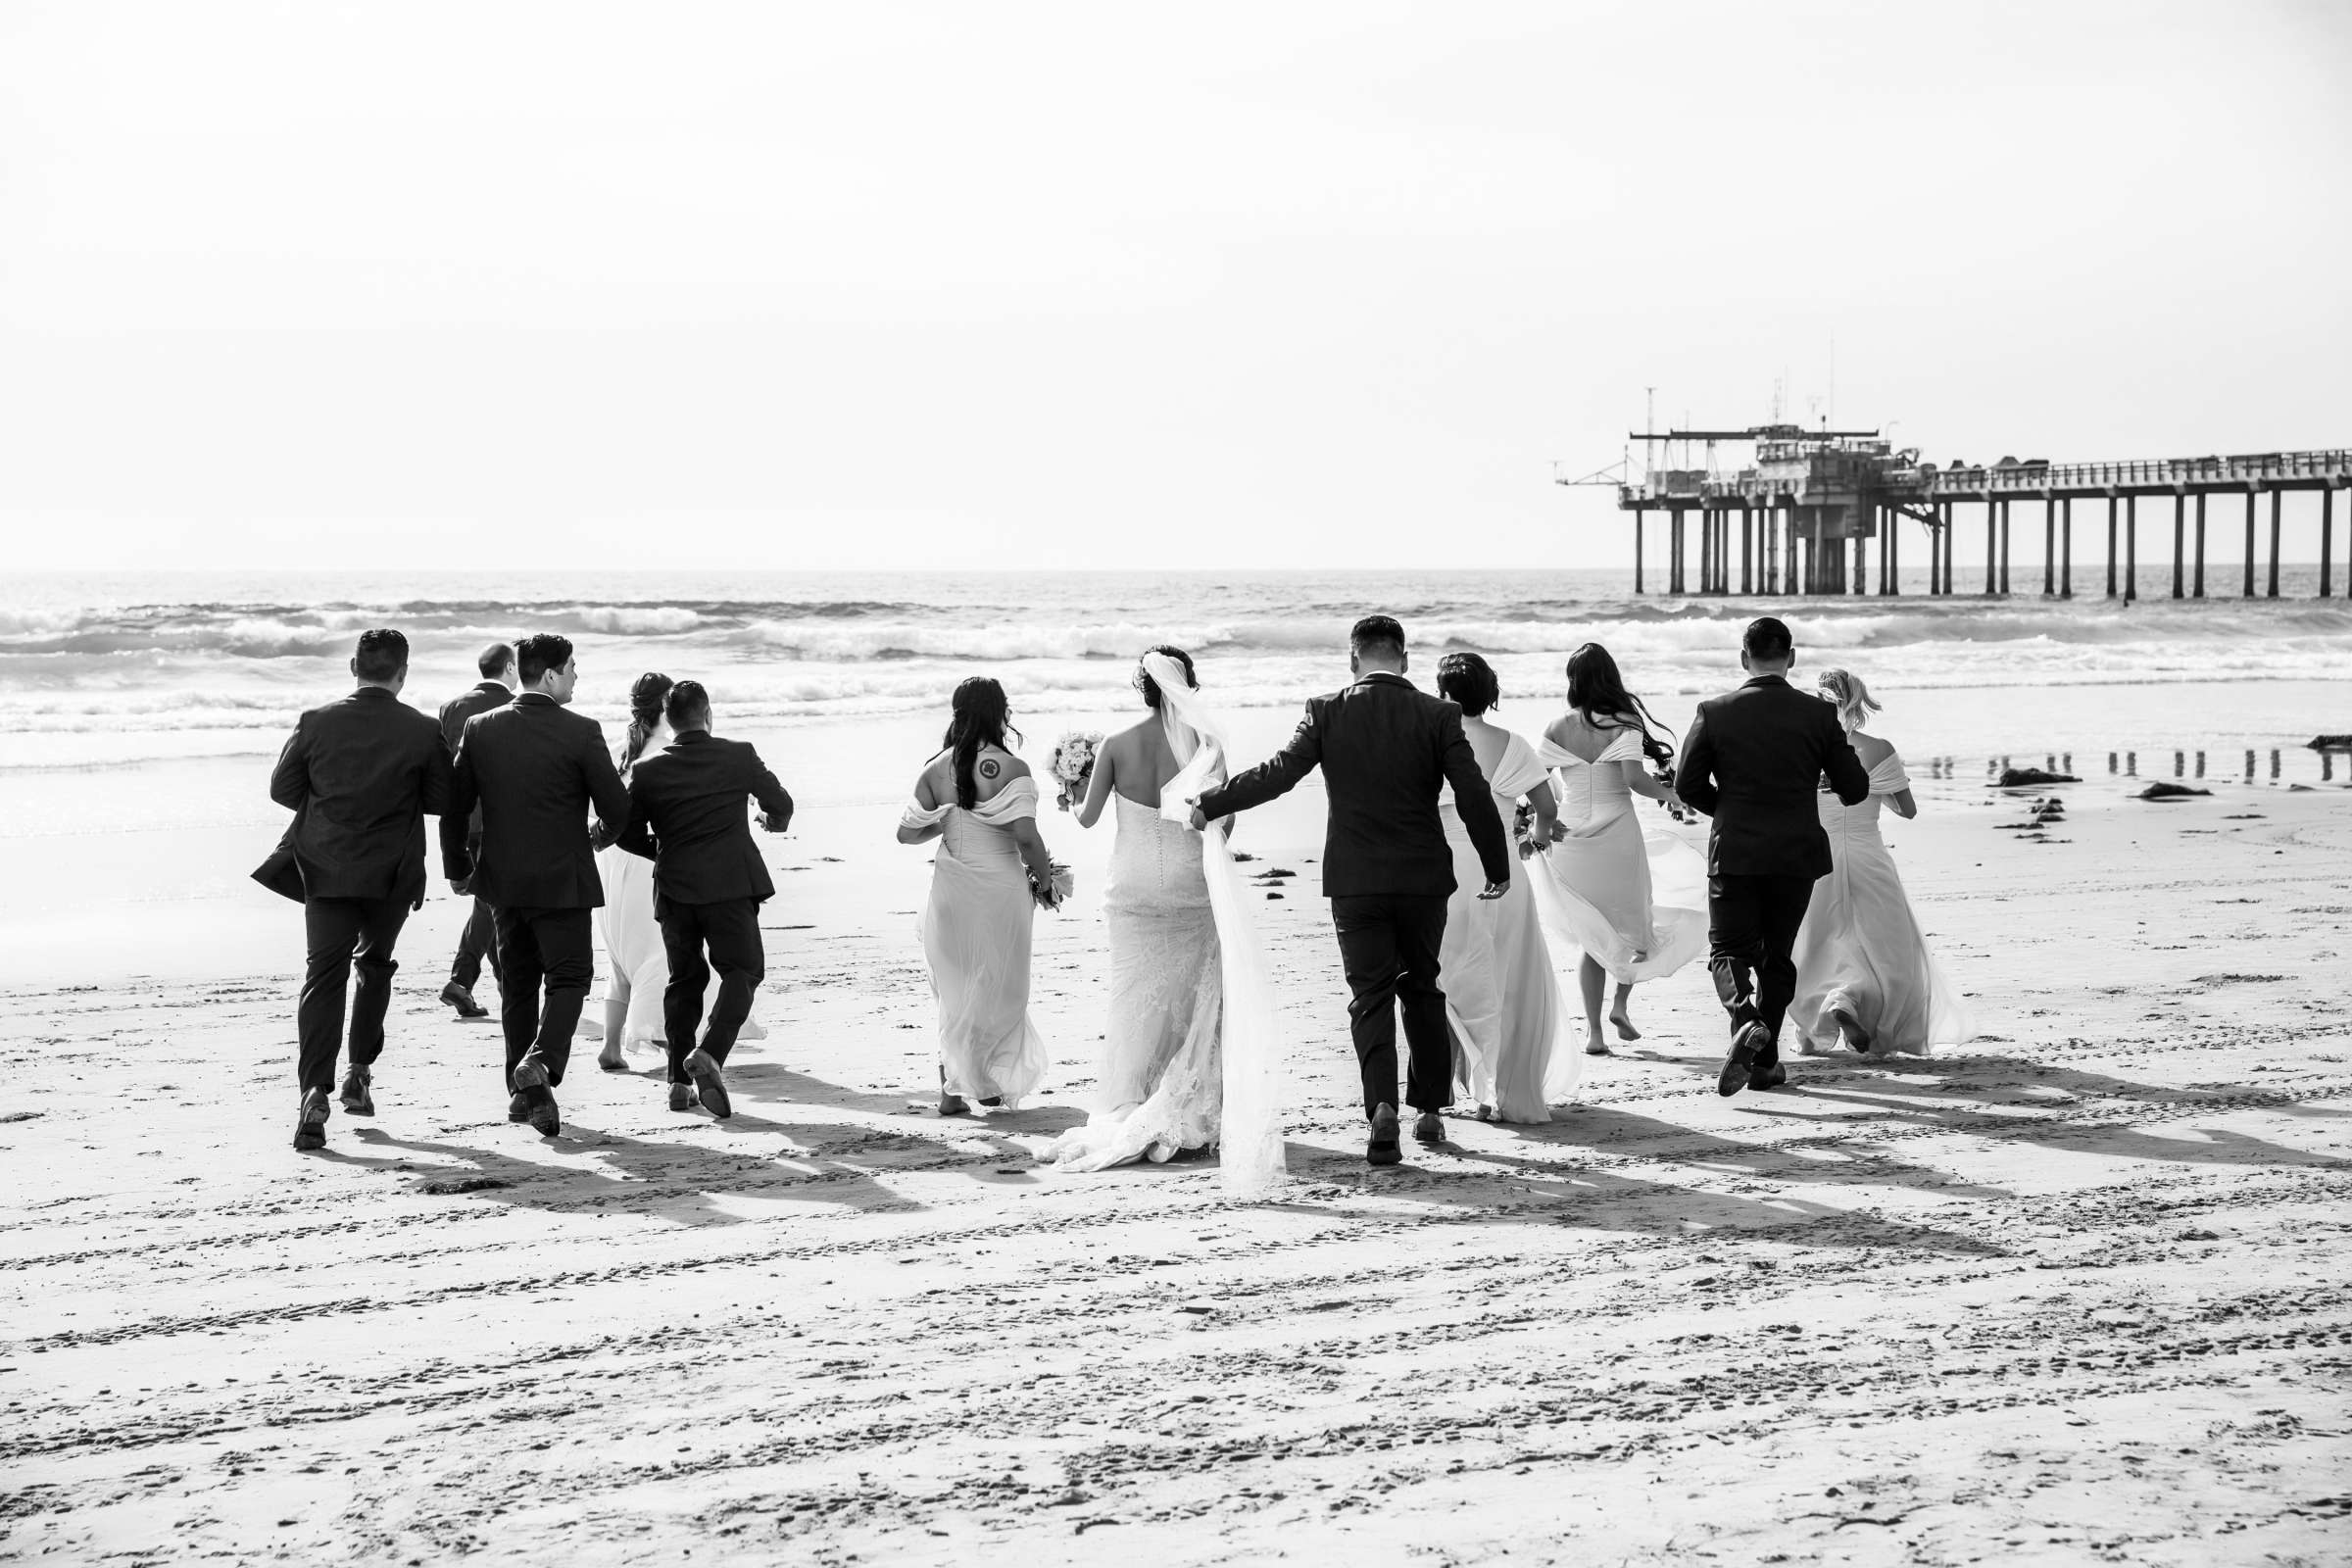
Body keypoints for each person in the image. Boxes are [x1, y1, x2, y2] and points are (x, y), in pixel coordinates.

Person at [1190, 615, 1509, 1166]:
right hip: (1423, 878)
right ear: (1404, 661)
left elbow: (1279, 773)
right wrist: (1496, 865)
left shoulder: (1325, 710)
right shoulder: (1439, 714)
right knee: (1424, 987)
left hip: (1356, 882)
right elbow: (1474, 792)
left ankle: (1382, 1107)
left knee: (1370, 995)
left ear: (1353, 659)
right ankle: (1430, 1110)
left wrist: (1212, 803)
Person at [264, 629, 453, 1150]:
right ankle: (359, 1071)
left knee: (322, 976)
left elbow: (282, 788)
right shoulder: (420, 728)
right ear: (403, 673)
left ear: (353, 666)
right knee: (374, 967)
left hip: (326, 867)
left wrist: (328, 805)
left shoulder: (317, 722)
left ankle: (312, 1092)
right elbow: (441, 799)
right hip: (391, 873)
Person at [440, 633, 628, 1137]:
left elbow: (454, 808)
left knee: (518, 986)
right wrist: (599, 837)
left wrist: (458, 868)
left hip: (503, 881)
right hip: (562, 879)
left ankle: (522, 1095)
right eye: (571, 669)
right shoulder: (581, 731)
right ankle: (540, 1063)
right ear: (549, 674)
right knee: (568, 978)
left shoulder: (480, 728)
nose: (575, 677)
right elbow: (617, 809)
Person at [1674, 617, 1870, 1097]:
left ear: (1744, 658)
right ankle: (1764, 1064)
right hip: (1794, 851)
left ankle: (1745, 1019)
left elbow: (1685, 786)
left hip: (1735, 849)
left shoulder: (1714, 711)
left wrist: (1729, 811)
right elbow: (1855, 788)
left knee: (1727, 950)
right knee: (1776, 956)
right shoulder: (1818, 716)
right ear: (1792, 658)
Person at [613, 680, 794, 1118]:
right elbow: (782, 804)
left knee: (684, 980)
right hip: (730, 884)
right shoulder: (738, 754)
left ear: (670, 721)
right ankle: (710, 1053)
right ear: (708, 714)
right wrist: (769, 820)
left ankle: (677, 1081)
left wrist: (665, 850)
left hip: (675, 887)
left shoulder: (649, 770)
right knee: (744, 969)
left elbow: (628, 833)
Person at [1531, 643, 1708, 1057]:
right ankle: (1620, 1006)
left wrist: (1541, 821)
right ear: (1609, 677)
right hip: (1616, 835)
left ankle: (1594, 1033)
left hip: (1571, 839)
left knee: (1593, 937)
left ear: (1573, 681)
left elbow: (1535, 780)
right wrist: (1675, 796)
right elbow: (1633, 779)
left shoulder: (1558, 726)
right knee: (1635, 926)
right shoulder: (1623, 721)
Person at [896, 677, 1058, 1115]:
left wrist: (948, 816)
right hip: (1000, 889)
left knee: (956, 988)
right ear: (1000, 712)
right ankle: (981, 1080)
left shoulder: (934, 769)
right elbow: (1026, 838)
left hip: (950, 887)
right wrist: (1045, 883)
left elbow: (906, 834)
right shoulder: (1012, 768)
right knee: (1000, 986)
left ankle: (953, 1088)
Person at [1429, 653, 1578, 1123]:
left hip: (1446, 873)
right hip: (1502, 873)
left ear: (1443, 693)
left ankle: (1450, 1084)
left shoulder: (1432, 738)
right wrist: (1532, 840)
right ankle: (1494, 1090)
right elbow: (1547, 807)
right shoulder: (1512, 744)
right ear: (1488, 694)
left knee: (1445, 980)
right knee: (1507, 980)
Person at [1788, 669, 1970, 1055]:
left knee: (1817, 941)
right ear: (1859, 699)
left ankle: (1822, 1016)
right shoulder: (1880, 749)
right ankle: (1852, 1005)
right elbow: (1908, 811)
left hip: (1817, 857)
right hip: (1868, 853)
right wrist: (1877, 790)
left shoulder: (1802, 748)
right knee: (1882, 944)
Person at [437, 642, 516, 1020]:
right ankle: (462, 979)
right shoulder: (513, 709)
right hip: (498, 819)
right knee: (489, 903)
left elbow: (445, 767)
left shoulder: (451, 707)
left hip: (462, 820)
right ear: (510, 668)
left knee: (488, 903)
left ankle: (503, 986)